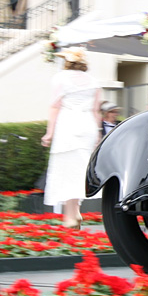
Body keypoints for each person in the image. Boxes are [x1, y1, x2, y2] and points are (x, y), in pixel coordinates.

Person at [40, 47, 101, 228]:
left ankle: (69, 216)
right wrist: (97, 132)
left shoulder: (60, 78)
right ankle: (75, 211)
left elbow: (55, 107)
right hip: (87, 124)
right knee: (80, 169)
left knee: (66, 168)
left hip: (68, 124)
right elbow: (96, 109)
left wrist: (49, 133)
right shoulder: (94, 81)